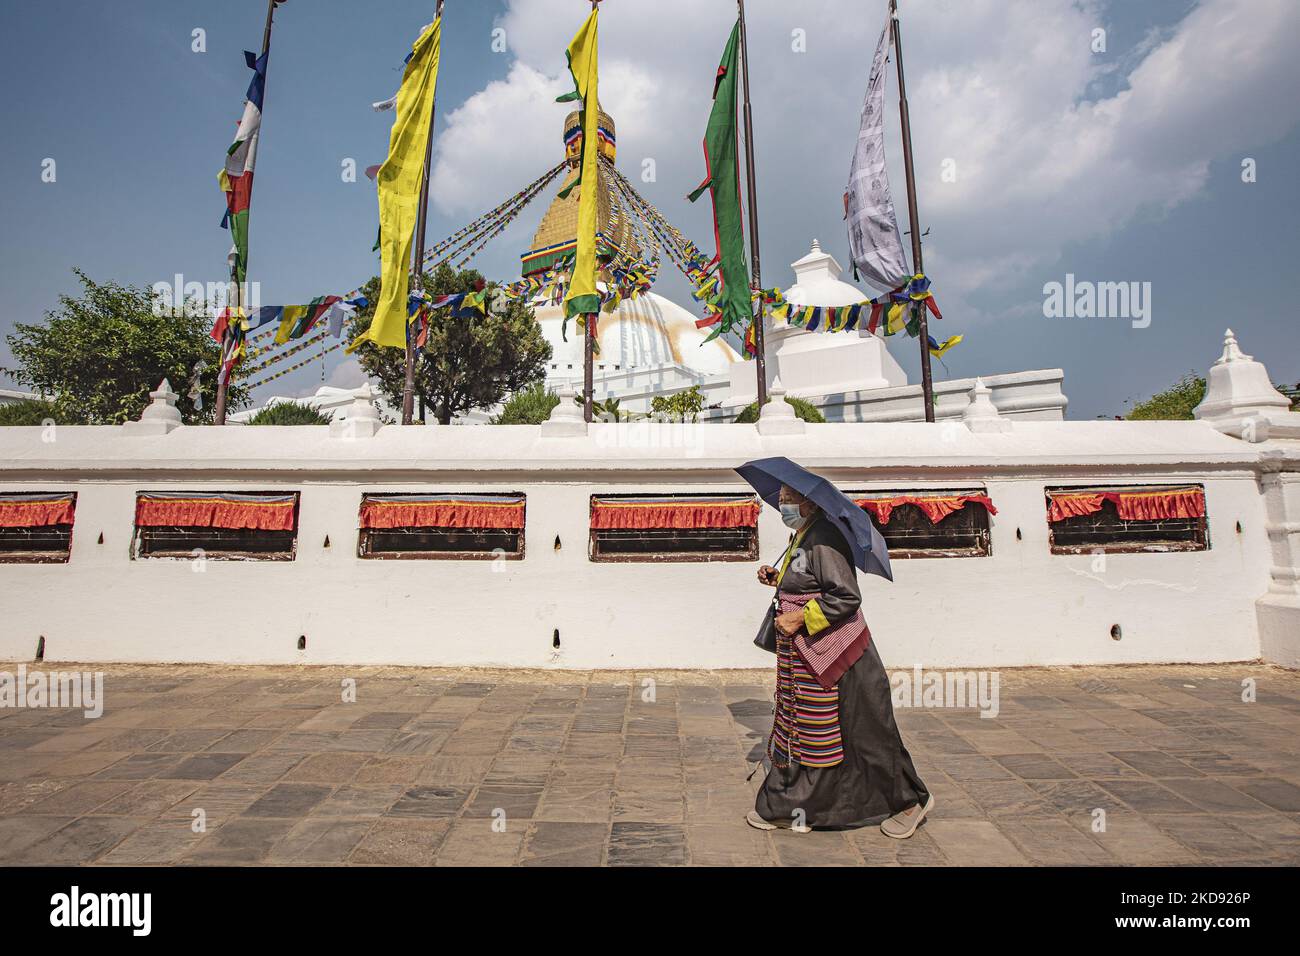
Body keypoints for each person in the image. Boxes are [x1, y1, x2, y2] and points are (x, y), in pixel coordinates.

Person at [746, 483, 934, 836]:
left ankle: (910, 802)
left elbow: (845, 596)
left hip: (841, 656)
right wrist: (778, 580)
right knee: (812, 731)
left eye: (789, 497)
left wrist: (800, 618)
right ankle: (801, 805)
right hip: (809, 654)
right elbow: (808, 583)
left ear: (809, 502)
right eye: (782, 497)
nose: (782, 503)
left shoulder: (825, 536)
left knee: (866, 733)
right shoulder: (804, 535)